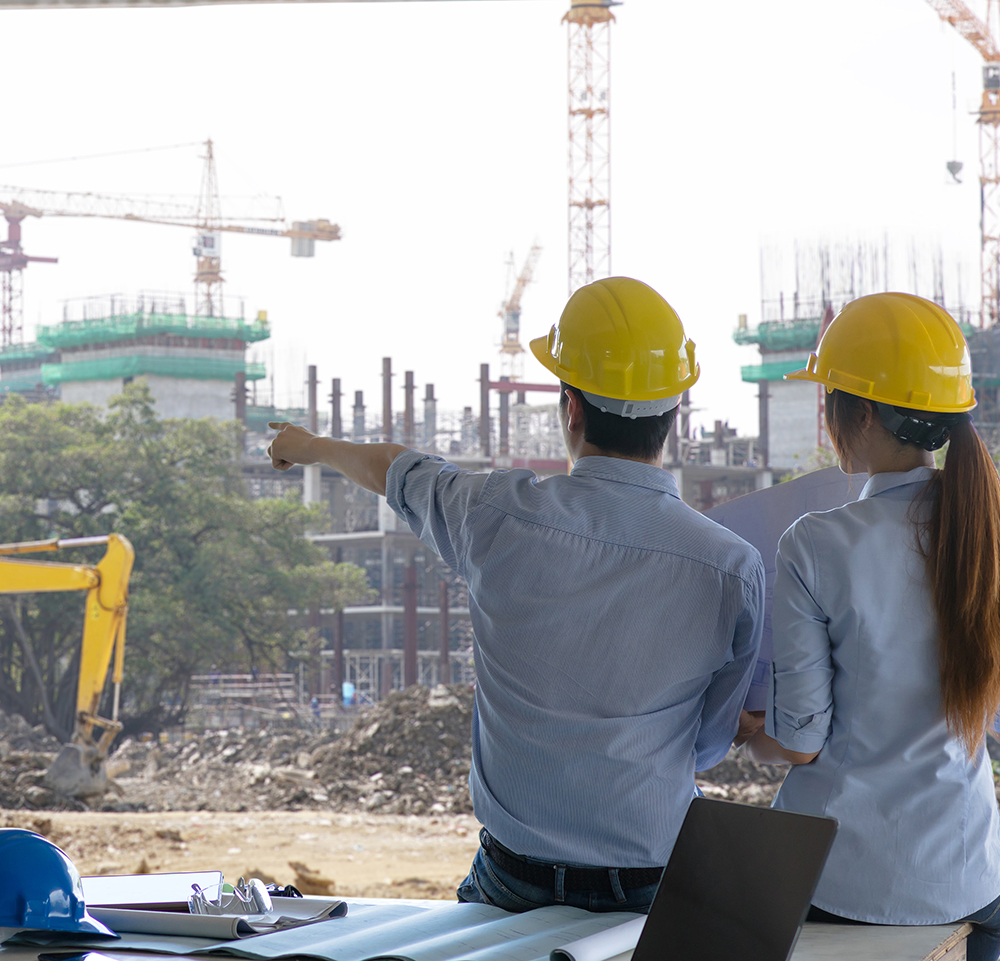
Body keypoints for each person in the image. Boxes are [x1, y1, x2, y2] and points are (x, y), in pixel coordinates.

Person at [268, 276, 765, 913]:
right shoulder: (730, 566)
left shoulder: (493, 512)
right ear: (674, 413)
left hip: (511, 881)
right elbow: (706, 744)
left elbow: (393, 469)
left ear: (572, 407)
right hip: (651, 883)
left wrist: (306, 447)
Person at [741, 292, 1000, 961]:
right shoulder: (987, 532)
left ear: (855, 413)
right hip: (969, 883)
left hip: (837, 886)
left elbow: (801, 740)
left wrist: (751, 737)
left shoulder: (816, 544)